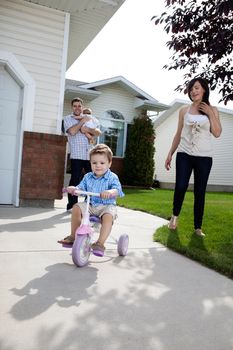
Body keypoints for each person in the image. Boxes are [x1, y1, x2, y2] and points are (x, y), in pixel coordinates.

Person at [165, 77, 222, 237]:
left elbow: (217, 133)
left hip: (204, 157)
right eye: (191, 89)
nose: (193, 91)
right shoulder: (184, 110)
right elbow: (178, 134)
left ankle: (198, 227)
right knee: (181, 186)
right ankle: (174, 216)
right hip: (184, 154)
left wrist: (210, 113)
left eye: (196, 88)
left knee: (200, 191)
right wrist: (170, 152)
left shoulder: (213, 110)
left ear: (204, 89)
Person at [58, 144, 124, 255]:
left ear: (109, 163)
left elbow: (117, 190)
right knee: (76, 207)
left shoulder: (112, 177)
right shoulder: (88, 176)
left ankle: (100, 243)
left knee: (108, 216)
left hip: (107, 206)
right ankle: (73, 236)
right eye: (94, 163)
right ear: (90, 163)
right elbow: (81, 187)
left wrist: (110, 192)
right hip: (91, 205)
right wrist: (74, 189)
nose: (98, 166)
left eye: (102, 163)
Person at [63, 97, 101, 211]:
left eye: (79, 106)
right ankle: (72, 206)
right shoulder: (68, 119)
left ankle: (88, 205)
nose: (77, 108)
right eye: (75, 106)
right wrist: (82, 122)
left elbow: (98, 132)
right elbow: (72, 131)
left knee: (92, 180)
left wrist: (88, 130)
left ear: (82, 106)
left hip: (90, 155)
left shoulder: (90, 118)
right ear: (72, 107)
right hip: (77, 155)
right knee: (75, 180)